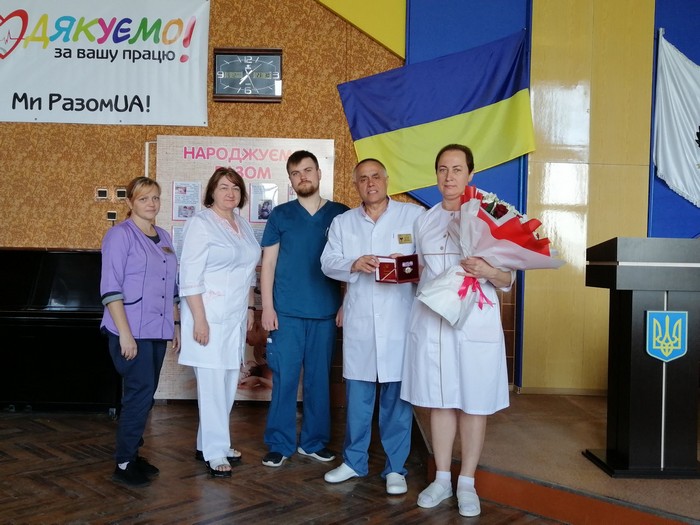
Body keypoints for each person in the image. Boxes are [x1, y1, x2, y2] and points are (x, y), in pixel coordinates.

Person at [400, 144, 515, 517]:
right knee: (440, 399)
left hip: (475, 321)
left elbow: (508, 278)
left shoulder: (490, 217)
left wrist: (489, 271)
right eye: (442, 169)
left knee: (473, 401)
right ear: (436, 174)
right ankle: (442, 478)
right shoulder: (425, 220)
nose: (449, 177)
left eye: (457, 169)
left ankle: (467, 482)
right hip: (434, 320)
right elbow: (419, 271)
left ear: (470, 174)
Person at [319, 158, 425, 495]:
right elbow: (327, 262)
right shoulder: (343, 222)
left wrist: (408, 267)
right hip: (361, 323)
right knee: (359, 401)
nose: (370, 183)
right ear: (356, 185)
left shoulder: (413, 216)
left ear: (386, 180)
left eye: (375, 176)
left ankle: (395, 468)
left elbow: (430, 260)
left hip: (399, 322)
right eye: (363, 179)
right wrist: (353, 263)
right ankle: (354, 461)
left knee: (396, 401)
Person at [259, 150, 349, 467]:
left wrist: (346, 304)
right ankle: (279, 443)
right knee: (284, 380)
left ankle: (313, 441)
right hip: (286, 313)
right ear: (290, 180)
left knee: (318, 381)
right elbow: (268, 264)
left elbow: (350, 264)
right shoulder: (280, 215)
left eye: (308, 170)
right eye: (296, 173)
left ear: (319, 173)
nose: (303, 177)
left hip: (325, 312)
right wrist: (266, 308)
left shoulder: (340, 214)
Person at [178, 167, 260, 478]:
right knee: (212, 384)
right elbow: (189, 276)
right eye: (224, 187)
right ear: (212, 191)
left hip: (234, 317)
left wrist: (250, 307)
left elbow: (248, 271)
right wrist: (199, 320)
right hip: (208, 316)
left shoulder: (242, 224)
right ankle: (214, 452)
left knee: (227, 381)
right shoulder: (200, 223)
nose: (230, 193)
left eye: (236, 188)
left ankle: (210, 443)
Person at [100, 176, 180, 488]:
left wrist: (175, 325)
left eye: (155, 198)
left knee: (146, 395)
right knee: (138, 394)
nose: (151, 203)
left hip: (157, 329)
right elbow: (110, 288)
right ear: (130, 202)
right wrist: (125, 334)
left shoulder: (164, 236)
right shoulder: (119, 236)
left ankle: (132, 453)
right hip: (130, 330)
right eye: (144, 198)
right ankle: (123, 463)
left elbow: (172, 287)